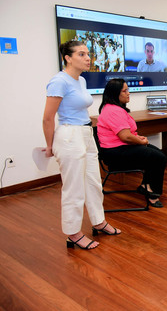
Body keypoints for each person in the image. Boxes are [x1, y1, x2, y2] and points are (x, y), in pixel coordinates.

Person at [42, 41, 121, 250]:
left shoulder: (81, 80)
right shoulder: (59, 82)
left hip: (86, 133)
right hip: (69, 136)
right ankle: (73, 233)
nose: (88, 58)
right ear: (68, 58)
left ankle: (98, 221)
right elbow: (48, 118)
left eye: (88, 53)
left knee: (94, 182)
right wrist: (49, 147)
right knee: (73, 188)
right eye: (81, 54)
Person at [97, 78, 167, 207]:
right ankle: (153, 193)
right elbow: (125, 137)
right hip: (115, 153)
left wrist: (139, 138)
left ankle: (146, 186)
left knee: (157, 154)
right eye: (125, 91)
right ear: (115, 94)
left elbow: (128, 135)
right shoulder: (114, 111)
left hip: (120, 148)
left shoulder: (114, 108)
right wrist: (141, 142)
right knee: (158, 157)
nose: (128, 93)